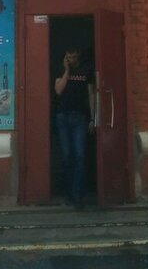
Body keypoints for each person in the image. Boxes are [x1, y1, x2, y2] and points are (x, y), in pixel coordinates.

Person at [53, 46, 96, 207]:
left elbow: (91, 94)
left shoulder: (86, 70)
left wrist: (93, 118)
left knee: (79, 155)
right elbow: (58, 90)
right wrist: (66, 70)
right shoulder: (61, 68)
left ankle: (77, 194)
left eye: (73, 57)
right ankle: (69, 193)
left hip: (80, 117)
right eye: (68, 57)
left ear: (78, 55)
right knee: (67, 156)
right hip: (63, 117)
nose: (70, 59)